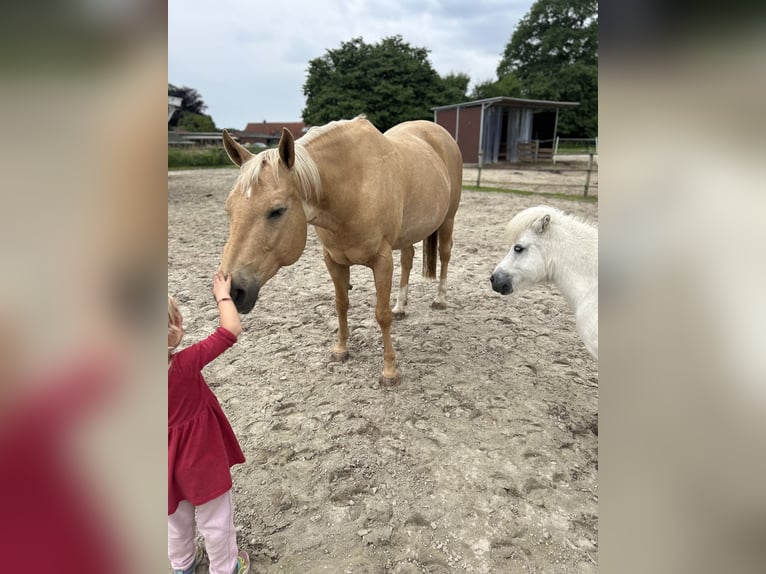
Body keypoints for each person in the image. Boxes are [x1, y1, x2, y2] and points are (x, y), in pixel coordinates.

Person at [168, 271, 250, 574]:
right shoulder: (185, 365)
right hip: (200, 459)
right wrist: (222, 296)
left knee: (175, 519)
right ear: (172, 330)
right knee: (215, 521)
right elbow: (230, 329)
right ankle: (226, 568)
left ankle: (183, 566)